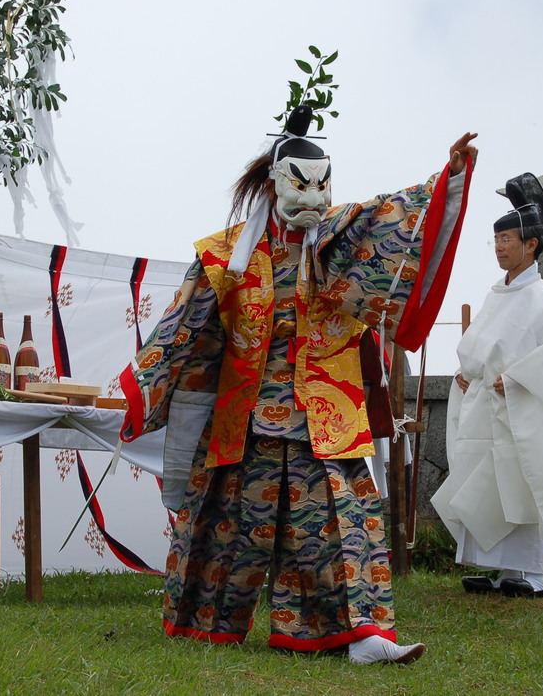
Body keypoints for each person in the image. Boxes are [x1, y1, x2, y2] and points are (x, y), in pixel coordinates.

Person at [118, 105, 475, 664]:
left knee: (339, 529)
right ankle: (205, 620)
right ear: (272, 182)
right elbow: (182, 324)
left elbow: (398, 219)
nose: (312, 196)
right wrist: (145, 384)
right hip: (248, 416)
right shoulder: (224, 256)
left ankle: (363, 636)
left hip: (327, 414)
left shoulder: (340, 246)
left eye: (322, 184)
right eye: (299, 183)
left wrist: (447, 178)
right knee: (230, 532)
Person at [430, 175, 543, 598]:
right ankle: (498, 568)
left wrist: (517, 380)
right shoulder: (496, 294)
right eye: (495, 239)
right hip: (487, 406)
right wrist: (469, 370)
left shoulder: (542, 298)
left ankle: (529, 573)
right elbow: (481, 343)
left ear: (530, 244)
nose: (499, 247)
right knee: (485, 482)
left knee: (523, 480)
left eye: (506, 239)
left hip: (520, 410)